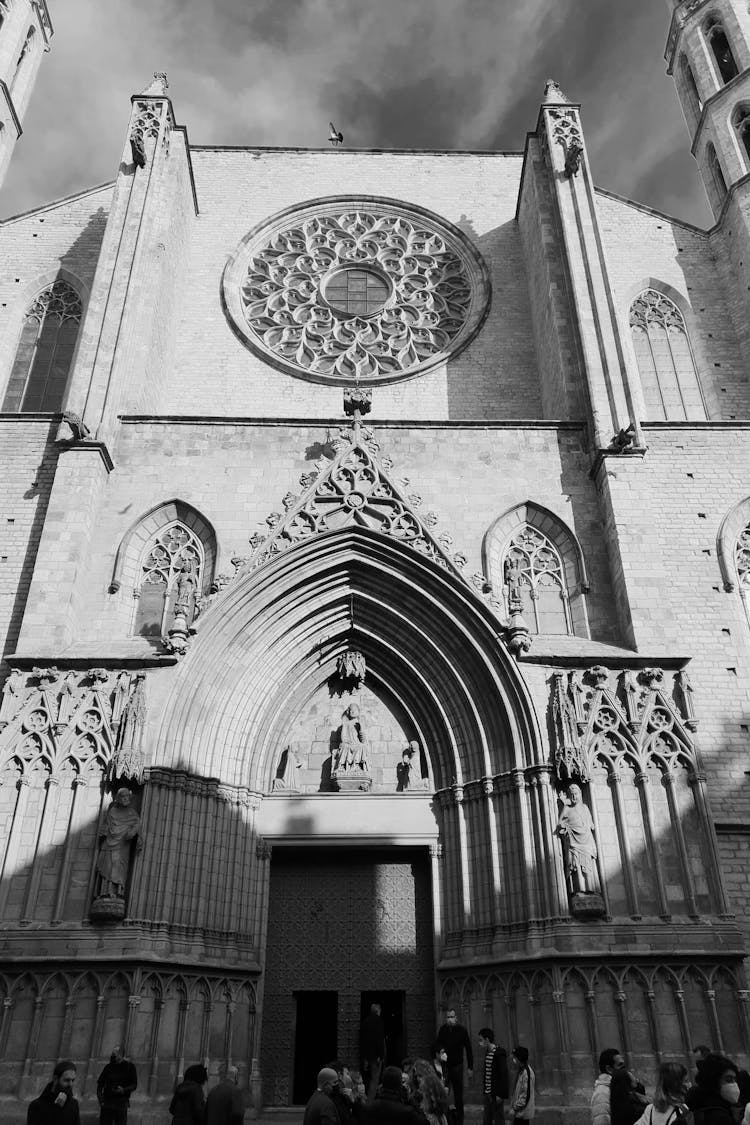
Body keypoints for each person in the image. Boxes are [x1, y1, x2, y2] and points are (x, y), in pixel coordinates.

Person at [95, 788, 142, 899]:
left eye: (127, 797)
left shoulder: (132, 814)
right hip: (109, 844)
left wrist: (133, 831)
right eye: (123, 797)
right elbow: (107, 826)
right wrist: (104, 831)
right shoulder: (112, 811)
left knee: (119, 867)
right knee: (107, 866)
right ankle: (104, 891)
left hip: (123, 847)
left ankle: (118, 891)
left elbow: (137, 825)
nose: (125, 799)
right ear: (118, 798)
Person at [555, 783, 599, 895]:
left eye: (576, 794)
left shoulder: (585, 808)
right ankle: (579, 891)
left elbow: (591, 825)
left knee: (588, 866)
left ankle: (591, 889)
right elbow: (560, 824)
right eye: (572, 794)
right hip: (573, 842)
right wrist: (563, 804)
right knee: (576, 866)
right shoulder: (567, 809)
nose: (574, 797)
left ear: (580, 794)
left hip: (585, 841)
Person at [436, 1008, 473, 1125]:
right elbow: (438, 1044)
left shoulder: (462, 1030)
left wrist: (470, 1067)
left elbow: (468, 1048)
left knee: (458, 1095)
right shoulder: (443, 1030)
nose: (450, 1019)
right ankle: (445, 1119)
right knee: (443, 1092)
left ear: (456, 1017)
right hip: (445, 1065)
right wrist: (440, 1052)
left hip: (457, 1065)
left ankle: (460, 1120)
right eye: (448, 1017)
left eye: (452, 1017)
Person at [687, 1053, 742, 1125]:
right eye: (728, 1080)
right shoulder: (718, 1117)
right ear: (714, 1081)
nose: (734, 1084)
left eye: (735, 1080)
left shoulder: (698, 1106)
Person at [27, 1060, 80, 1125]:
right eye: (67, 1080)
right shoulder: (36, 1106)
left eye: (73, 1080)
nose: (71, 1084)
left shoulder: (74, 1104)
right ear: (55, 1079)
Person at [96, 1045, 138, 1125]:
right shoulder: (108, 1067)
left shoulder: (130, 1067)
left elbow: (134, 1085)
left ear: (121, 1055)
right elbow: (100, 1084)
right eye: (112, 1054)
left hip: (121, 1104)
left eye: (115, 1054)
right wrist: (101, 1099)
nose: (113, 1056)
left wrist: (123, 1090)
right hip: (107, 1103)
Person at [478, 1028, 509, 1125]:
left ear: (487, 1039)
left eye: (481, 1040)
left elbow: (503, 1075)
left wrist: (501, 1094)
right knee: (487, 1119)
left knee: (499, 1118)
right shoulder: (488, 1053)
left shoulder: (499, 1053)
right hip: (488, 1093)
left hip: (496, 1093)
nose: (480, 1043)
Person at [406, 1061, 450, 1125]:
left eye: (420, 1076)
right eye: (416, 1076)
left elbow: (440, 1107)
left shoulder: (434, 1088)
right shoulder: (415, 1092)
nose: (418, 1079)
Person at [592, 1049, 627, 1125]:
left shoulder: (620, 1086)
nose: (624, 1069)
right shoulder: (602, 1093)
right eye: (620, 1065)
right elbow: (601, 1121)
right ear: (609, 1069)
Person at [360, 1002, 386, 1100]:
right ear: (378, 1010)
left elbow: (362, 1040)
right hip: (376, 1056)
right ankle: (370, 1102)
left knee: (368, 1078)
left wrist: (364, 1057)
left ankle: (365, 1099)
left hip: (367, 1056)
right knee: (375, 1079)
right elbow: (379, 1038)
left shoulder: (365, 1021)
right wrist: (381, 1055)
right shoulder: (378, 1021)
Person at [509, 1046, 535, 1121]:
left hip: (522, 1113)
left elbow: (525, 1095)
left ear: (519, 1059)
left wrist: (515, 1108)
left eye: (514, 1058)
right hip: (519, 1113)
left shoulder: (527, 1073)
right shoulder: (521, 1071)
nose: (513, 1060)